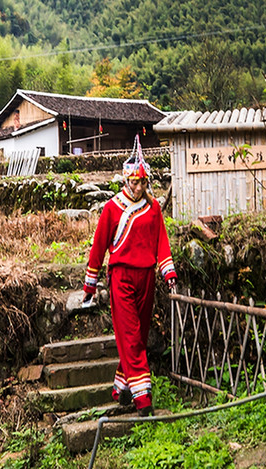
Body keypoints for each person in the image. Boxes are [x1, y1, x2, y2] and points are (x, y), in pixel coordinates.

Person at [82, 136, 176, 416]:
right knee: (130, 334)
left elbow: (161, 239)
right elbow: (99, 245)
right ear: (125, 181)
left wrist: (167, 270)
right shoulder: (112, 208)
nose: (138, 187)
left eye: (142, 183)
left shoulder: (153, 207)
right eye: (133, 183)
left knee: (139, 334)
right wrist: (90, 282)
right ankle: (143, 397)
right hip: (121, 277)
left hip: (147, 275)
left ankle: (123, 386)